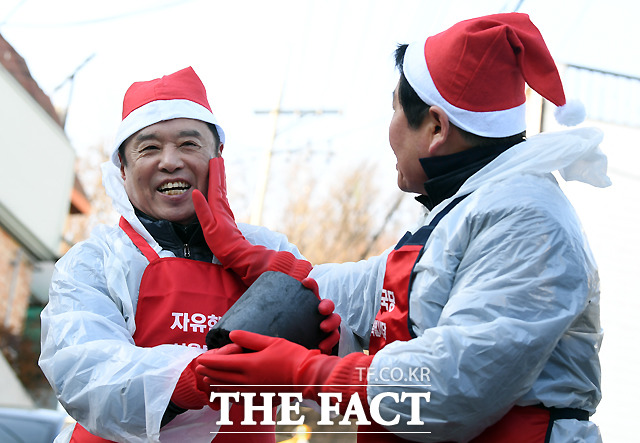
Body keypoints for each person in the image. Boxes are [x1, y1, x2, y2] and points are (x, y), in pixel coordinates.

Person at [193, 13, 609, 442]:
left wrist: (304, 373)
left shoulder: (527, 219)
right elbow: (356, 290)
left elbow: (452, 387)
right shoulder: (463, 210)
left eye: (393, 109)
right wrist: (249, 254)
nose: (388, 130)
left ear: (435, 127)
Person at [39, 67, 340, 443]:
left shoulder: (273, 252)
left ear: (218, 157)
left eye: (189, 144)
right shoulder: (94, 262)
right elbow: (85, 373)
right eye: (148, 147)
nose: (169, 161)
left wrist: (321, 350)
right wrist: (189, 378)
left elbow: (342, 383)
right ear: (123, 168)